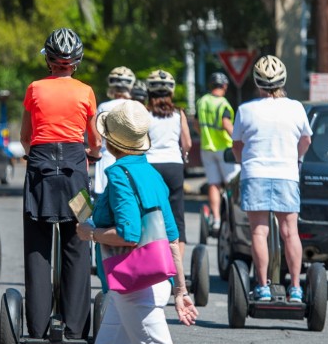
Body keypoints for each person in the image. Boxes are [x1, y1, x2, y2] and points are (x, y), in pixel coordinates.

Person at [30, 100, 238, 344]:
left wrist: (90, 232)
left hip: (133, 288)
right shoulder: (150, 172)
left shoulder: (121, 174)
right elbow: (171, 235)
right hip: (148, 284)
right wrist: (181, 288)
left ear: (111, 141)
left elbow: (128, 233)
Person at [20, 27, 101, 340]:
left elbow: (26, 138)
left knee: (38, 247)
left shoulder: (35, 89)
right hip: (76, 174)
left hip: (40, 169)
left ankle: (38, 326)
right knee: (78, 242)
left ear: (49, 60)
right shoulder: (85, 91)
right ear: (75, 61)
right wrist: (89, 153)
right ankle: (76, 325)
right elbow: (93, 141)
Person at [232, 55, 312, 302]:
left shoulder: (245, 110)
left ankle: (263, 286)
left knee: (259, 232)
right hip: (286, 175)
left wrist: (241, 161)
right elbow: (306, 140)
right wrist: (295, 160)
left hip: (255, 174)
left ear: (257, 82)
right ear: (283, 80)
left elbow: (237, 146)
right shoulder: (296, 107)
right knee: (290, 232)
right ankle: (296, 288)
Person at [145, 69, 192, 258]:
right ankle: (176, 267)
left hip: (150, 165)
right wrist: (184, 155)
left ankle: (153, 260)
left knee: (150, 213)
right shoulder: (178, 114)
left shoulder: (145, 114)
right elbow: (187, 142)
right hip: (174, 165)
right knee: (176, 216)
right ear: (171, 92)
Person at [195, 71, 239, 233]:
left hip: (207, 148)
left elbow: (196, 123)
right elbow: (226, 124)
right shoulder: (223, 104)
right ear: (225, 86)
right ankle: (233, 216)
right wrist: (239, 139)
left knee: (213, 183)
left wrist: (205, 136)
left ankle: (217, 220)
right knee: (231, 183)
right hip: (225, 150)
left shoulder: (202, 101)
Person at [93, 66, 136, 195]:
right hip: (130, 159)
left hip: (107, 157)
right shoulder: (135, 106)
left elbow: (97, 136)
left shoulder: (103, 106)